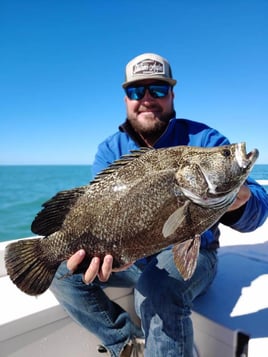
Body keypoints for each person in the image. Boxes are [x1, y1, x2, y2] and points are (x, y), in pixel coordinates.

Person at [50, 53, 268, 357]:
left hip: (190, 253)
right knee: (58, 271)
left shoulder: (204, 140)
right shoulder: (109, 150)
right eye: (137, 91)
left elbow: (256, 215)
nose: (147, 99)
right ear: (126, 98)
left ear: (172, 94)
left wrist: (238, 195)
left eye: (159, 90)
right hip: (130, 257)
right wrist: (114, 249)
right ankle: (128, 343)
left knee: (157, 290)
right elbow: (98, 211)